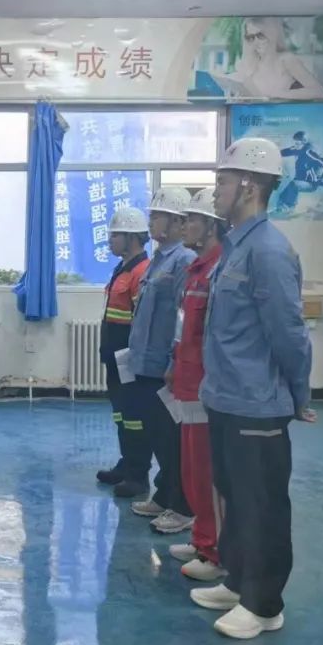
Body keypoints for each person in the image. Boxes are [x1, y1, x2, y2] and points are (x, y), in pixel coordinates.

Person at [190, 138, 313, 640]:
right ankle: (239, 582)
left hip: (257, 404)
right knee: (235, 498)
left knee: (261, 506)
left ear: (249, 184)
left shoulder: (269, 250)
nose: (215, 190)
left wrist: (299, 395)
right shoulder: (236, 246)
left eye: (221, 181)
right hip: (225, 397)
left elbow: (289, 333)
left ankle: (264, 606)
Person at [125, 187, 196, 534]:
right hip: (145, 364)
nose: (151, 221)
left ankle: (182, 506)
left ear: (177, 222)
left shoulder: (183, 261)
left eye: (157, 216)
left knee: (172, 441)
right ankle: (164, 494)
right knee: (157, 435)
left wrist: (173, 362)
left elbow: (183, 318)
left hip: (163, 369)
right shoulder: (159, 259)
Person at [166, 188, 227, 582]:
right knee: (191, 469)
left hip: (207, 386)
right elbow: (183, 328)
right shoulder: (196, 271)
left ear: (211, 226)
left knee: (207, 472)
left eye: (191, 219)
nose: (184, 225)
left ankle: (214, 551)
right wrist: (174, 364)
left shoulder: (220, 269)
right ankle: (201, 537)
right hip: (187, 382)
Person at [96, 207, 151, 495]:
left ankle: (138, 475)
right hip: (115, 356)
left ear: (132, 238)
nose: (110, 240)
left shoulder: (142, 272)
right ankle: (126, 463)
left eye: (115, 235)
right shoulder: (123, 268)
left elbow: (142, 322)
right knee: (121, 414)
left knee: (134, 416)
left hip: (129, 357)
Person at [230, 17, 323, 101]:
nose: (256, 41)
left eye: (260, 35)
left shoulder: (286, 60)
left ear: (272, 34)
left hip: (280, 114)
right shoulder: (248, 65)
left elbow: (319, 92)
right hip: (253, 114)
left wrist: (279, 94)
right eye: (250, 37)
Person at [276, 130, 323, 212]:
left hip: (310, 184)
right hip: (300, 180)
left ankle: (289, 206)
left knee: (294, 184)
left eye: (297, 144)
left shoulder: (308, 153)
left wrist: (319, 177)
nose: (295, 146)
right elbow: (283, 152)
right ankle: (281, 206)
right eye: (294, 143)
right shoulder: (296, 149)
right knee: (285, 189)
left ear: (304, 143)